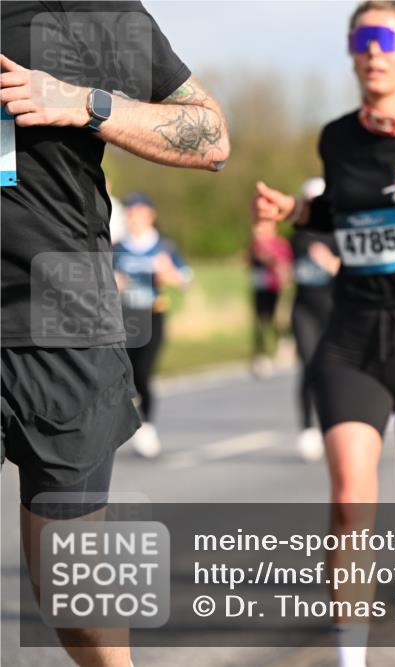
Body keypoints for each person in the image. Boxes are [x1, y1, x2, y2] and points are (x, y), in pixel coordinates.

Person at [252, 3, 395, 665]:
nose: (373, 51)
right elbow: (343, 209)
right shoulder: (337, 137)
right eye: (362, 39)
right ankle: (349, 655)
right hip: (352, 336)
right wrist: (296, 210)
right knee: (351, 501)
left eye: (386, 38)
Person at [1, 3, 229, 665]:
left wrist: (85, 104)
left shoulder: (99, 13)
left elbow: (211, 136)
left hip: (60, 323)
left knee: (74, 600)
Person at [113, 192, 193, 459]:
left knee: (144, 372)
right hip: (123, 318)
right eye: (130, 213)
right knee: (124, 374)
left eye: (138, 212)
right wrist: (114, 283)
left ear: (150, 215)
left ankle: (146, 426)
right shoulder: (117, 248)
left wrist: (168, 274)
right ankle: (126, 424)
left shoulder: (164, 246)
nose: (134, 218)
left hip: (152, 315)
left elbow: (185, 280)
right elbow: (101, 282)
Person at [290, 177, 340, 462]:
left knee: (333, 371)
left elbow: (352, 272)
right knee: (309, 366)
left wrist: (330, 263)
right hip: (304, 310)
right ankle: (307, 428)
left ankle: (333, 426)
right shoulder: (298, 235)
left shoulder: (340, 233)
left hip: (335, 311)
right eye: (308, 200)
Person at [249, 215, 292, 377]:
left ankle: (283, 345)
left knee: (277, 319)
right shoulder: (254, 245)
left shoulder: (279, 244)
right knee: (260, 321)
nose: (258, 231)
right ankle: (261, 354)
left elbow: (284, 265)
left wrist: (268, 258)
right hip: (259, 287)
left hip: (275, 287)